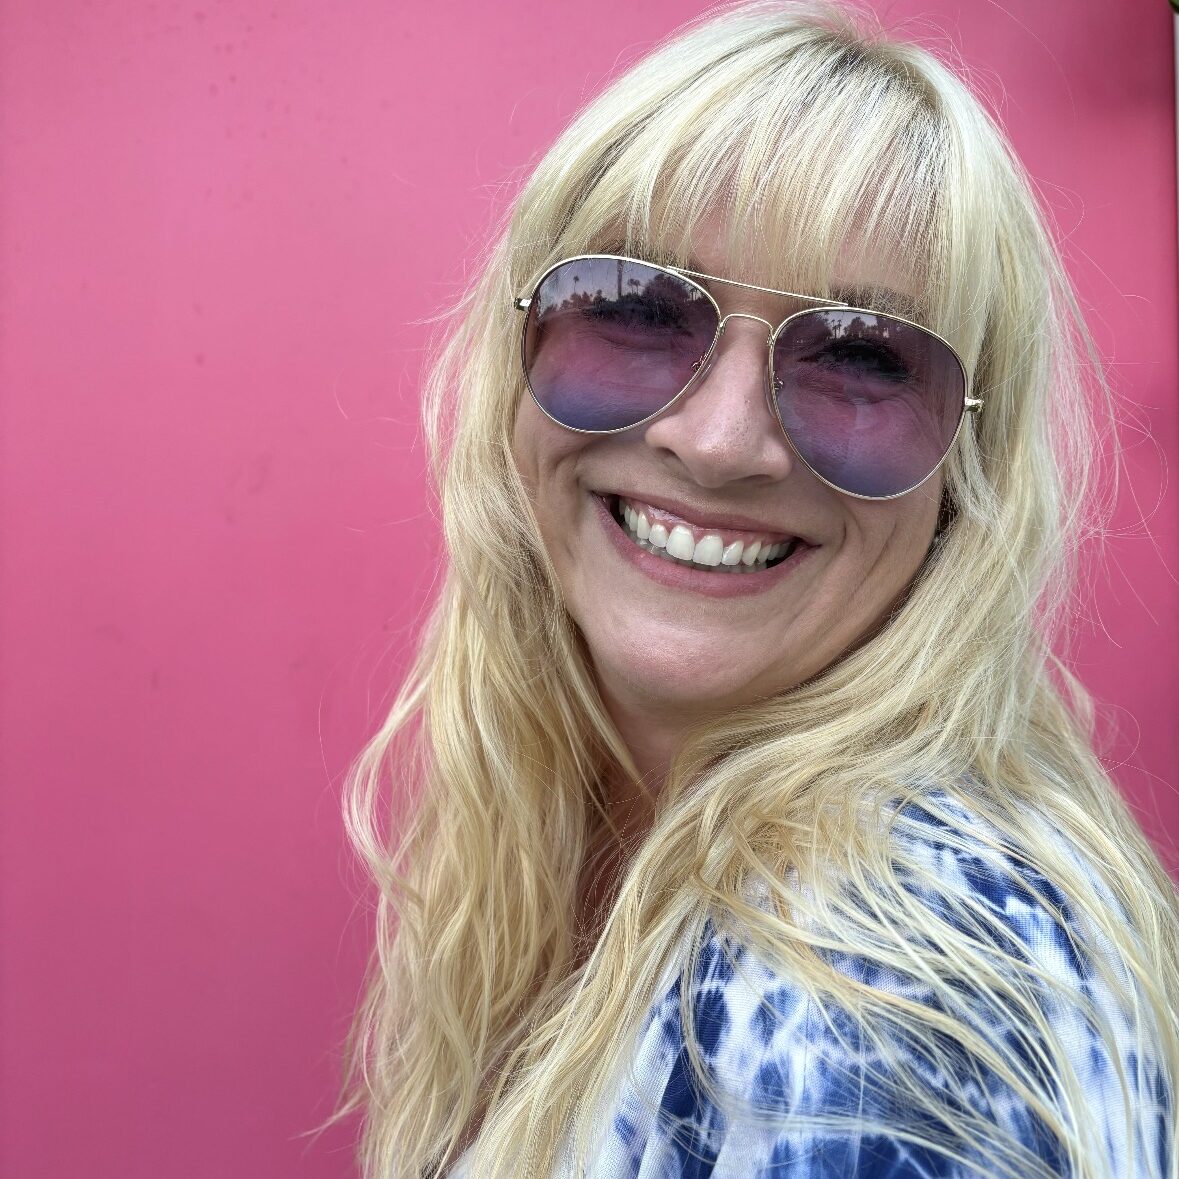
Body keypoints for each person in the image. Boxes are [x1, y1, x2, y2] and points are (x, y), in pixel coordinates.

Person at [327, 2, 1179, 1175]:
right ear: (515, 355)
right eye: (634, 308)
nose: (721, 441)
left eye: (862, 358)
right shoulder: (682, 870)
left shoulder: (872, 986)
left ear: (966, 478)